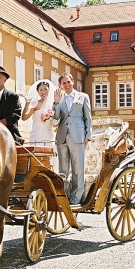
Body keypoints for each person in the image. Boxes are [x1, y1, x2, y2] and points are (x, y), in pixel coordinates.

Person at [53, 73, 92, 205]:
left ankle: (77, 198)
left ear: (73, 82)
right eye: (64, 83)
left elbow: (88, 118)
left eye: (68, 82)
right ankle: (65, 196)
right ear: (61, 85)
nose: (67, 85)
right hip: (62, 136)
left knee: (78, 168)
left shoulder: (83, 97)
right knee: (63, 169)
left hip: (78, 136)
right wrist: (56, 103)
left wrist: (88, 135)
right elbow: (57, 117)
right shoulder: (60, 98)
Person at [21, 79, 56, 146]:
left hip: (48, 137)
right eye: (41, 90)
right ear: (37, 91)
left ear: (49, 90)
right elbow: (24, 118)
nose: (43, 92)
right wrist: (27, 103)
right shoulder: (35, 104)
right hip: (36, 135)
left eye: (45, 89)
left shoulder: (53, 105)